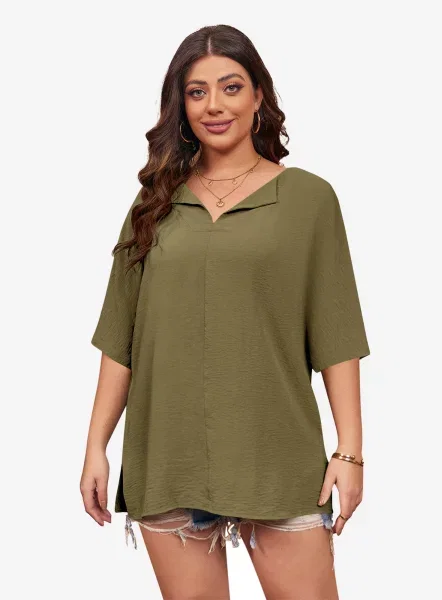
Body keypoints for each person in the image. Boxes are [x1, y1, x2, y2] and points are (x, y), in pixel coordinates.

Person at [80, 24, 370, 600]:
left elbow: (336, 331)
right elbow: (122, 335)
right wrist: (96, 446)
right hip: (169, 453)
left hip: (276, 452)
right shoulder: (154, 202)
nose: (214, 105)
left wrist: (350, 451)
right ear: (181, 105)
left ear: (259, 95)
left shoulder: (309, 198)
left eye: (231, 87)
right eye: (197, 91)